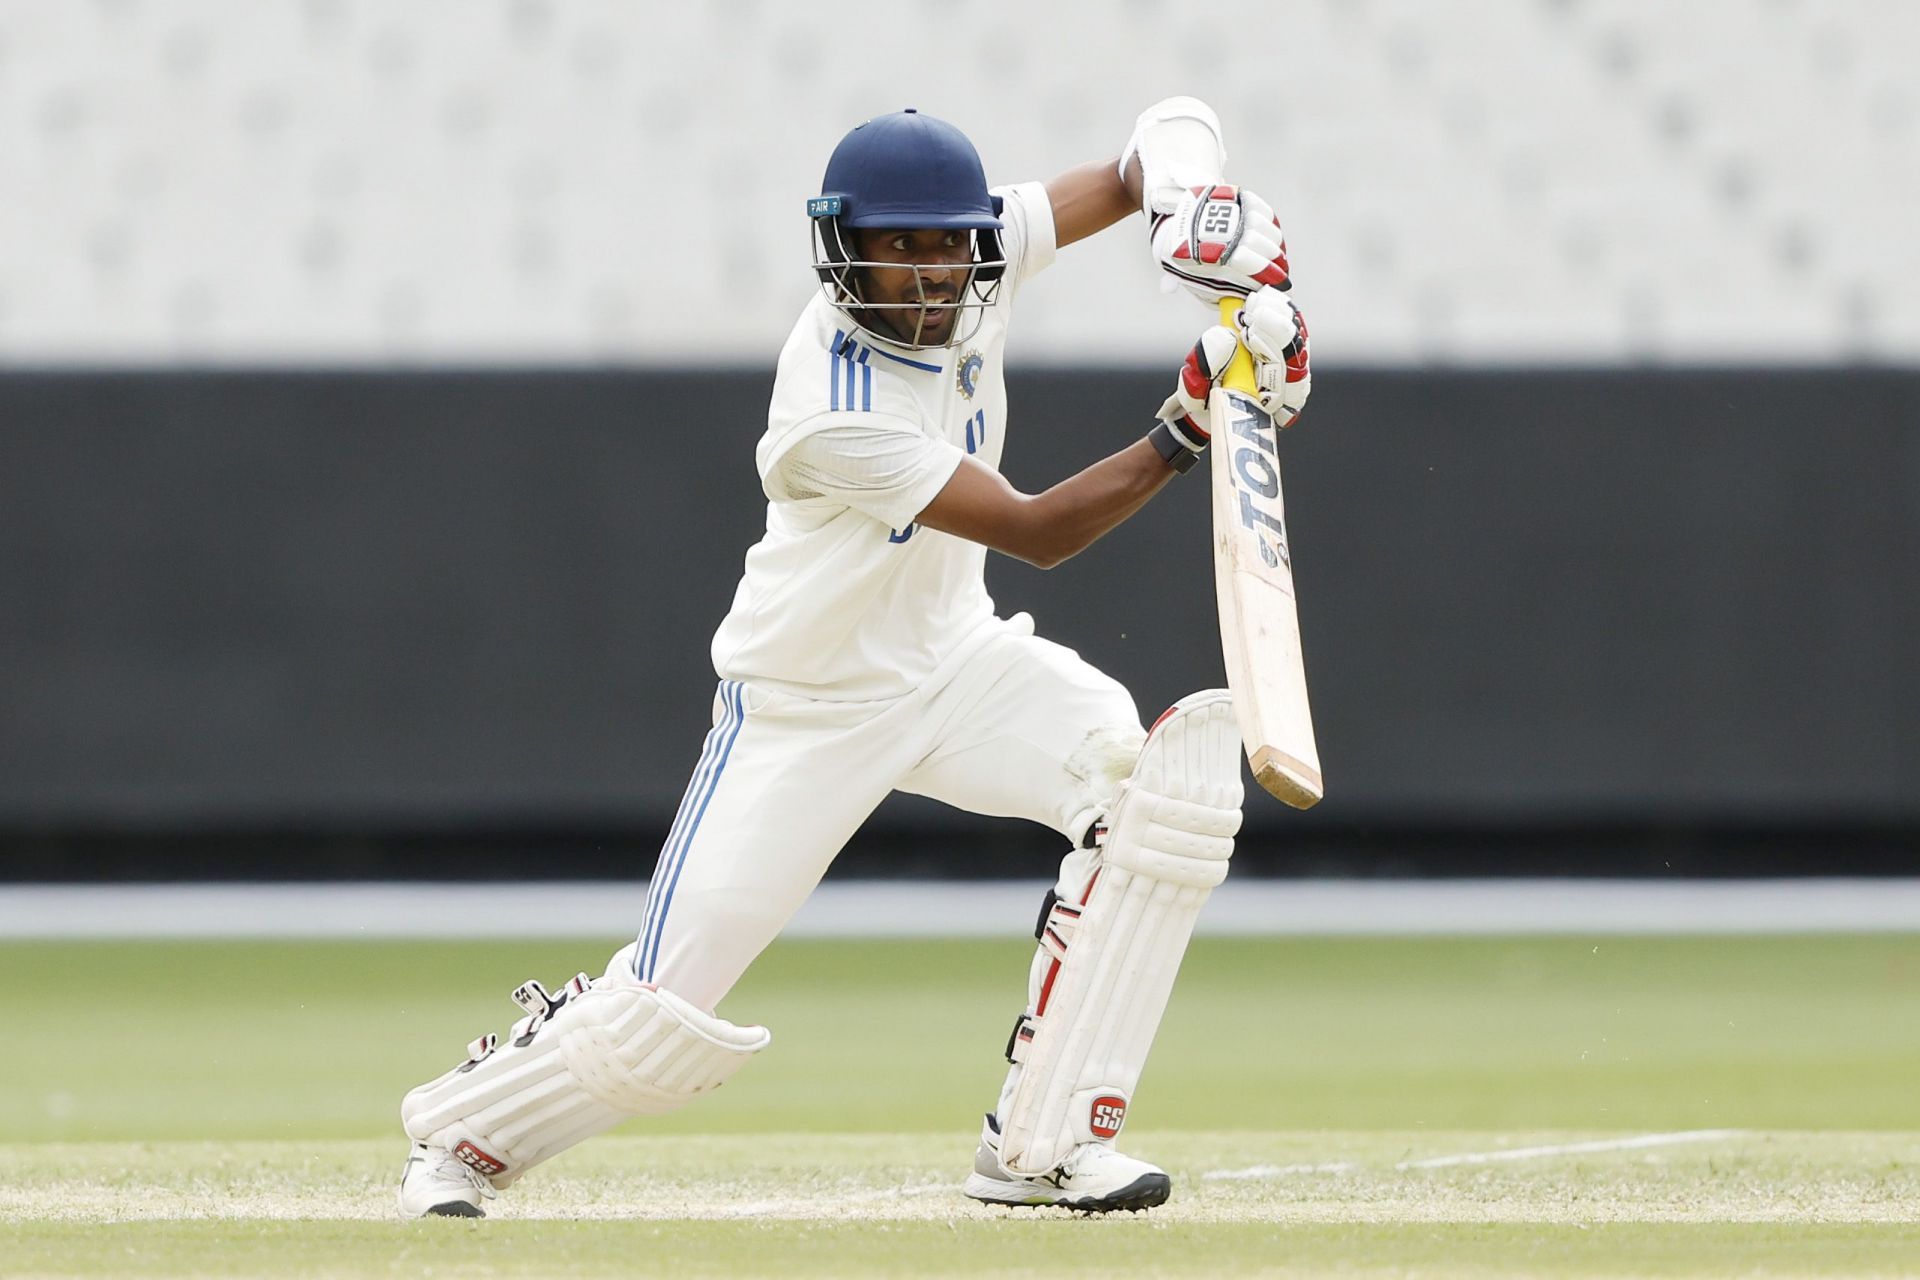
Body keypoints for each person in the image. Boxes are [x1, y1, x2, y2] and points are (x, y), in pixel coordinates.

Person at [396, 99, 1312, 1218]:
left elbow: (1133, 165)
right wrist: (1192, 416)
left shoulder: (975, 257)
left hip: (956, 664)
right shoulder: (831, 409)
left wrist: (1190, 197)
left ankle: (1043, 1144)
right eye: (900, 249)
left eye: (949, 246)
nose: (932, 274)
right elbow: (1039, 530)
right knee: (661, 1010)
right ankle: (460, 1135)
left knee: (1149, 787)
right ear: (845, 251)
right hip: (805, 706)